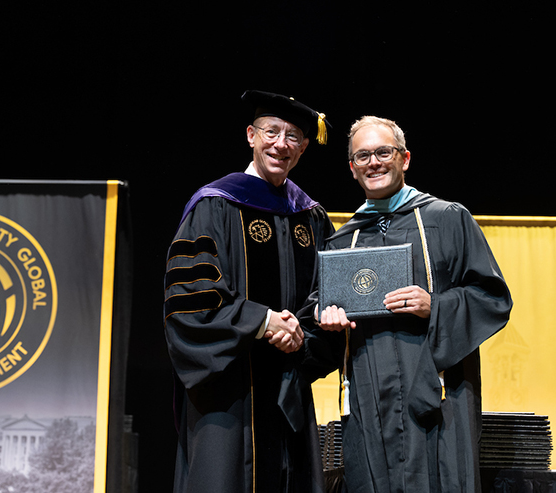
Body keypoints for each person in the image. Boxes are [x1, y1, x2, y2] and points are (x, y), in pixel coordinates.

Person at [303, 116, 513, 492]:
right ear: (352, 169)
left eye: (384, 152)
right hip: (369, 402)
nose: (374, 162)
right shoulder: (343, 241)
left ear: (405, 158)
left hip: (436, 398)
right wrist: (323, 317)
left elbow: (492, 297)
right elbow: (321, 318)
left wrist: (436, 305)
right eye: (362, 156)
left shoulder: (447, 219)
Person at [163, 90, 334, 492]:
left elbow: (328, 292)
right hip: (229, 391)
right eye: (271, 131)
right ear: (251, 136)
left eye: (293, 136)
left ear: (305, 147)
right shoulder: (215, 205)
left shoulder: (310, 216)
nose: (281, 143)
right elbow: (193, 297)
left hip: (288, 388)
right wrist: (263, 321)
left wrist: (299, 334)